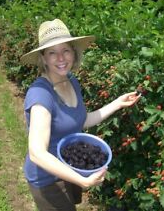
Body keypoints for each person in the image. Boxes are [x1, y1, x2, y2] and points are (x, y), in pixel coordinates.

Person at [21, 19, 141, 211]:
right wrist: (82, 181)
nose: (61, 58)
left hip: (71, 167)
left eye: (66, 50)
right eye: (52, 52)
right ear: (43, 58)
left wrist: (118, 103)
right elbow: (37, 152)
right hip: (48, 178)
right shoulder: (40, 94)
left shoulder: (71, 80)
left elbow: (81, 120)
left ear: (73, 53)